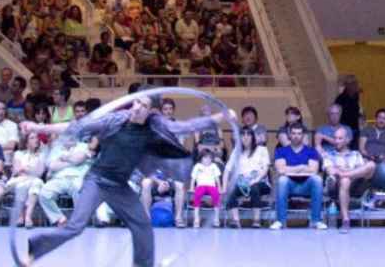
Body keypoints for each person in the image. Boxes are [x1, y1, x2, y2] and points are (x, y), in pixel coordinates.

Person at [19, 93, 235, 267]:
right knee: (75, 226)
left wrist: (221, 117)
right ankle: (35, 250)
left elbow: (187, 126)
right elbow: (77, 126)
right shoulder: (115, 120)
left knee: (143, 226)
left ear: (151, 111)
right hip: (97, 180)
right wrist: (39, 128)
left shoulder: (154, 127)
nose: (137, 107)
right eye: (136, 102)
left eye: (143, 105)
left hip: (120, 186)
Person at [271, 124, 325, 230]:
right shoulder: (281, 151)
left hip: (306, 185)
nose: (296, 136)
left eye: (299, 133)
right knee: (282, 180)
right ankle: (280, 221)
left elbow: (313, 170)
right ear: (289, 135)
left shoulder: (311, 151)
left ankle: (316, 221)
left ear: (303, 135)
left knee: (317, 179)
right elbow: (281, 170)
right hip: (289, 185)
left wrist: (290, 169)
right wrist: (302, 167)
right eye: (294, 133)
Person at [322, 127, 375, 233]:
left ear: (347, 140)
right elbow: (330, 171)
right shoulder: (329, 155)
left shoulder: (356, 154)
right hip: (336, 187)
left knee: (371, 164)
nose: (336, 141)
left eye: (340, 138)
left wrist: (344, 172)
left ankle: (346, 175)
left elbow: (363, 171)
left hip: (356, 186)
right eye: (335, 138)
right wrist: (348, 173)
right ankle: (346, 220)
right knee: (345, 181)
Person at [36, 133, 92, 227]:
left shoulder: (83, 146)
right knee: (44, 193)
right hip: (59, 178)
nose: (70, 137)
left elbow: (78, 159)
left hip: (78, 177)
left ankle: (79, 221)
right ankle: (60, 218)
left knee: (80, 190)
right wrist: (72, 162)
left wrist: (63, 159)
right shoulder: (56, 149)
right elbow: (52, 166)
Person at [225, 126, 270, 228]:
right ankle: (236, 221)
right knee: (231, 189)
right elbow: (228, 169)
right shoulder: (237, 150)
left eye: (248, 134)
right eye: (243, 134)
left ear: (253, 137)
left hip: (261, 182)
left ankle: (256, 220)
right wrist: (225, 185)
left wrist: (255, 180)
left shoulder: (262, 149)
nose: (245, 137)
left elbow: (265, 169)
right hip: (243, 183)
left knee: (254, 187)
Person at [7, 132, 46, 227]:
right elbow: (16, 171)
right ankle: (22, 216)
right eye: (32, 138)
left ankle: (27, 216)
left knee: (36, 183)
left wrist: (24, 168)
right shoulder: (18, 154)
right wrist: (30, 170)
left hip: (33, 180)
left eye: (37, 137)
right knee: (25, 184)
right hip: (18, 180)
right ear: (26, 142)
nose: (36, 140)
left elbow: (39, 173)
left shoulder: (42, 155)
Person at [190, 150, 222, 228]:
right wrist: (191, 187)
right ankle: (196, 218)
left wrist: (220, 188)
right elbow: (193, 178)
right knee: (197, 195)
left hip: (211, 186)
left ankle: (216, 218)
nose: (207, 160)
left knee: (216, 195)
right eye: (205, 158)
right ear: (201, 158)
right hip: (201, 185)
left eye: (209, 158)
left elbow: (217, 178)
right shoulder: (197, 166)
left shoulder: (214, 166)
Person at [334, 77, 362, 149]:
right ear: (347, 85)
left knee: (355, 148)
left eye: (355, 84)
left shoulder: (356, 96)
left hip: (355, 126)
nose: (354, 86)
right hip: (345, 126)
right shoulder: (340, 98)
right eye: (351, 84)